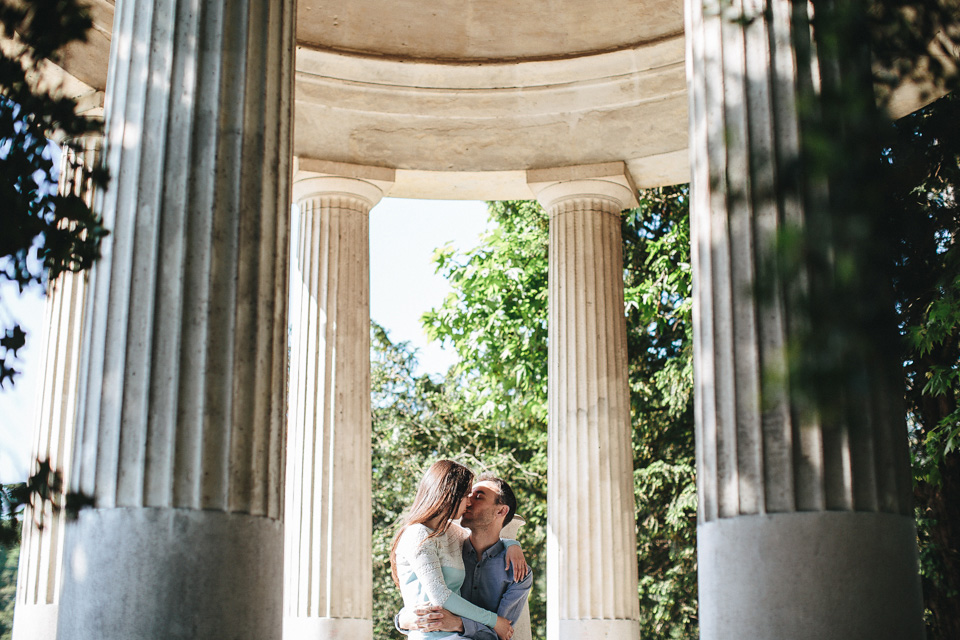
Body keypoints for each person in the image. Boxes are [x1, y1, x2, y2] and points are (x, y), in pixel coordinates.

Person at [390, 461, 528, 640]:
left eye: (475, 496)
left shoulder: (451, 533)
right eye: (466, 495)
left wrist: (512, 544)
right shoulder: (418, 534)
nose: (469, 501)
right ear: (449, 495)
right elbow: (440, 596)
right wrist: (494, 620)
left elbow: (486, 536)